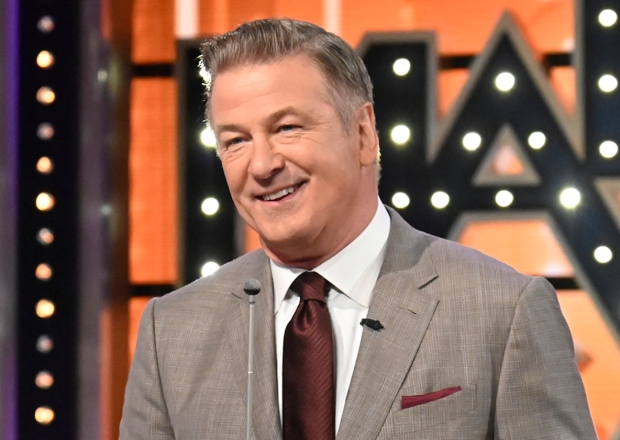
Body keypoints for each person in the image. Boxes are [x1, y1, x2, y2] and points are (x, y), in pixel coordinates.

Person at [120, 18, 597, 439]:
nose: (262, 165)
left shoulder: (503, 311)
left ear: (364, 134)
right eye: (236, 140)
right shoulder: (172, 331)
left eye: (287, 128)